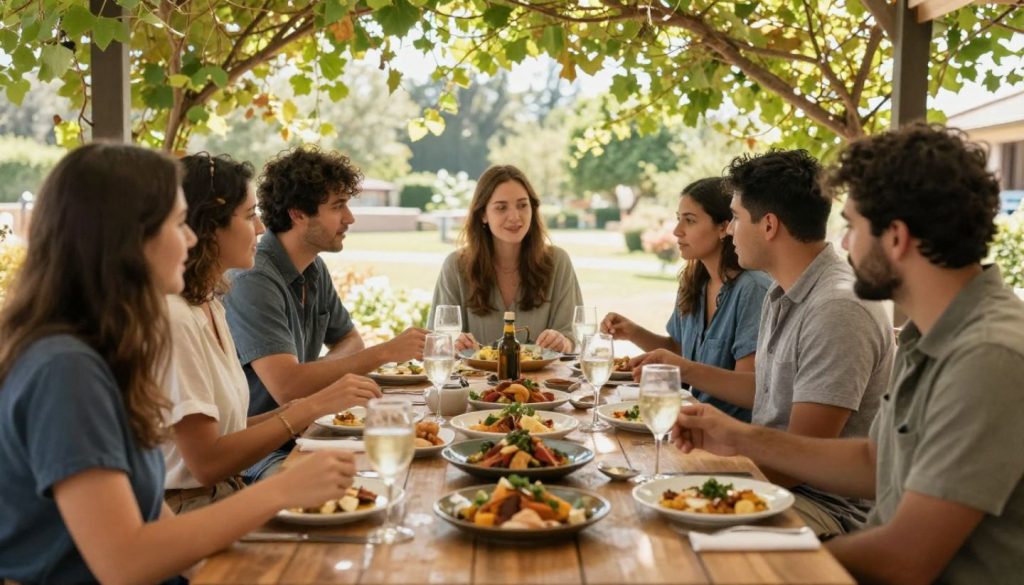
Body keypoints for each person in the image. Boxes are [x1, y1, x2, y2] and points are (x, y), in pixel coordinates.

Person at [671, 123, 1024, 584]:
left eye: (852, 226)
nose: (841, 244)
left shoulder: (988, 356)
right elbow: (874, 463)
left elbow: (906, 558)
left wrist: (755, 558)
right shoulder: (932, 335)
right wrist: (736, 437)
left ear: (895, 237)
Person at [0, 143, 357, 585]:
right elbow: (124, 561)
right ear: (128, 238)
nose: (191, 238)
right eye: (176, 224)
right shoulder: (66, 369)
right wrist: (282, 490)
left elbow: (156, 521)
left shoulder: (105, 349)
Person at [632, 149, 894, 537]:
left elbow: (797, 461)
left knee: (661, 529)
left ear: (768, 225)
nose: (731, 230)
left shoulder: (836, 309)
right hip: (772, 483)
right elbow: (765, 388)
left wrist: (694, 468)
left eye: (736, 218)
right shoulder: (783, 290)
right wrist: (686, 378)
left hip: (821, 507)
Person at [162, 153, 380, 512]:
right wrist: (311, 405)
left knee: (361, 488)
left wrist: (308, 406)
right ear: (208, 227)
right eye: (249, 216)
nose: (262, 228)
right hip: (195, 507)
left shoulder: (210, 304)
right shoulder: (178, 317)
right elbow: (206, 464)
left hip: (225, 492)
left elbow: (226, 432)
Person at [223, 146, 418, 480]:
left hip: (307, 431)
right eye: (338, 206)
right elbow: (287, 387)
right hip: (260, 451)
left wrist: (315, 376)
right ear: (299, 215)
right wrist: (384, 353)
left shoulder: (313, 267)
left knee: (402, 457)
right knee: (366, 480)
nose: (350, 218)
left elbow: (350, 340)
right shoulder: (253, 278)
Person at [601, 177, 770, 422]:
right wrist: (633, 332)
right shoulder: (694, 282)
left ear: (724, 227)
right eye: (678, 218)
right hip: (688, 422)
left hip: (728, 436)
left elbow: (749, 389)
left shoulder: (752, 289)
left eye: (689, 220)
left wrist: (683, 369)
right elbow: (681, 351)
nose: (676, 230)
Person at [429, 164, 582, 353]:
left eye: (522, 205)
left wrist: (563, 342)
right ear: (483, 214)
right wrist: (453, 344)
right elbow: (437, 340)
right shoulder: (455, 266)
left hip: (541, 381)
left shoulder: (558, 262)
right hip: (474, 381)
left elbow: (572, 336)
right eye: (501, 208)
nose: (515, 216)